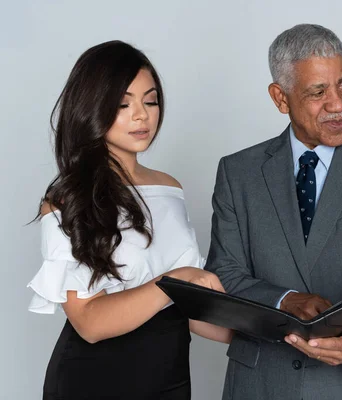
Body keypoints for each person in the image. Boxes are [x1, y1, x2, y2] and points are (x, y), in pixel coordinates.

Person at [204, 24, 342, 400]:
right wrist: (287, 299)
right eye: (318, 92)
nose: (338, 105)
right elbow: (224, 274)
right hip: (263, 385)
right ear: (280, 98)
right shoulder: (237, 172)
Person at [27, 40, 231, 400]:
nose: (142, 115)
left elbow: (192, 309)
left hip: (170, 381)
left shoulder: (171, 189)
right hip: (94, 382)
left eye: (150, 101)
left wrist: (278, 331)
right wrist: (176, 279)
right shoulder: (67, 199)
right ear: (92, 106)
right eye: (123, 104)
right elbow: (89, 322)